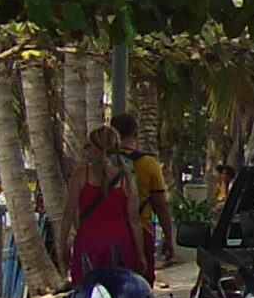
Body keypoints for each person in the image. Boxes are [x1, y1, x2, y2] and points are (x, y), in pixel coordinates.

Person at [70, 124, 149, 281]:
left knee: (86, 291)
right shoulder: (126, 178)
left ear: (95, 148)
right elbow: (133, 220)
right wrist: (140, 254)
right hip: (118, 243)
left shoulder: (81, 175)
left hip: (88, 241)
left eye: (88, 146)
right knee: (117, 291)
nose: (87, 150)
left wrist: (62, 246)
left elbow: (68, 213)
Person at [109, 109, 181, 270]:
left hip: (107, 233)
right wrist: (169, 239)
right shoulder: (148, 163)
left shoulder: (101, 164)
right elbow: (160, 206)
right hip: (140, 232)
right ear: (135, 134)